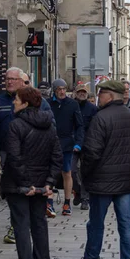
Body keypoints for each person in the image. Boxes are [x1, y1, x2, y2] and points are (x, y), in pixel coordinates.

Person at [70, 81, 130, 259]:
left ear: (110, 96)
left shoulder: (100, 118)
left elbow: (92, 151)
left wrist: (86, 175)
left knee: (96, 223)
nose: (98, 97)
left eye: (101, 94)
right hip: (126, 180)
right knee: (126, 223)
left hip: (102, 181)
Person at [0, 67, 52, 243]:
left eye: (13, 79)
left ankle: (23, 224)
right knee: (14, 190)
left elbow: (50, 125)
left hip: (32, 153)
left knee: (29, 190)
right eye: (7, 79)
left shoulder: (36, 100)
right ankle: (16, 224)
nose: (9, 82)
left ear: (22, 81)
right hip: (7, 152)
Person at [1, 87, 62, 259]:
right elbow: (57, 157)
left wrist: (26, 185)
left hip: (19, 184)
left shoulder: (16, 125)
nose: (13, 102)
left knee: (21, 224)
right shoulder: (50, 126)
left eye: (17, 99)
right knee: (39, 223)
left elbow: (14, 157)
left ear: (26, 103)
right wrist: (49, 183)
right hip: (41, 184)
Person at [47, 79, 84, 217]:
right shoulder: (48, 104)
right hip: (50, 142)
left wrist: (78, 142)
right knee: (49, 173)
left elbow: (79, 125)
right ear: (54, 90)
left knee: (66, 172)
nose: (62, 91)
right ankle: (49, 202)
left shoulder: (73, 104)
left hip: (67, 143)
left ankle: (67, 202)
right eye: (59, 89)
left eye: (64, 89)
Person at [72, 83, 97, 211]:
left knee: (85, 172)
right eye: (80, 92)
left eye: (84, 92)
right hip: (73, 144)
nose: (82, 94)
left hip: (87, 144)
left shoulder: (92, 108)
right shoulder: (71, 105)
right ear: (76, 93)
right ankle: (76, 191)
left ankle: (85, 199)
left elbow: (95, 127)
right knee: (71, 171)